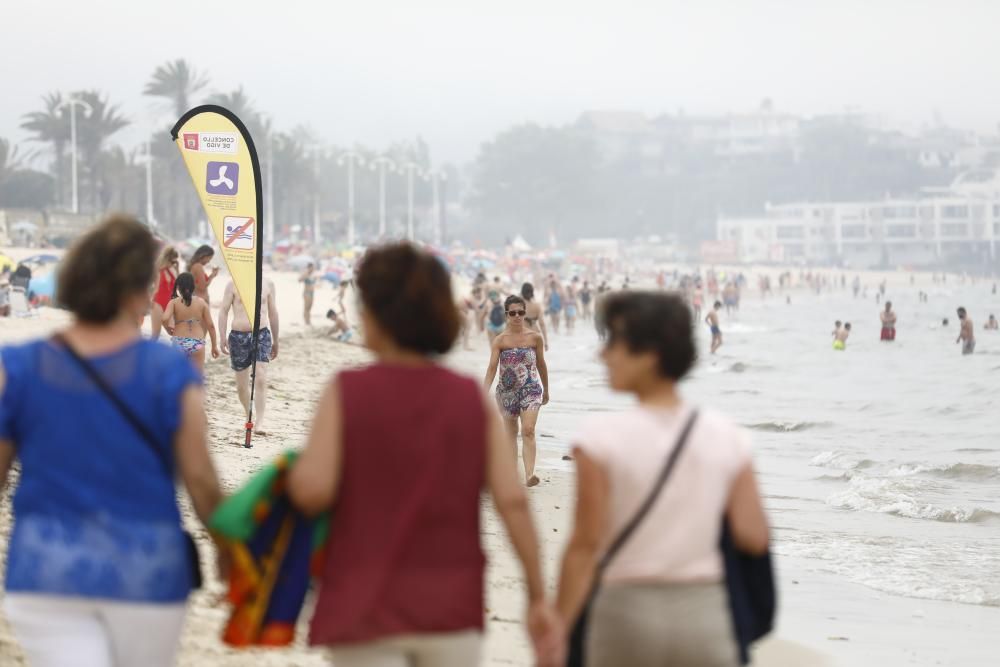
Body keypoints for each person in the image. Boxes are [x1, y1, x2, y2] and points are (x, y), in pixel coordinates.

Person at [287, 243, 562, 666]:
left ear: (371, 317)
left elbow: (311, 492)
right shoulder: (467, 399)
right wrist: (538, 596)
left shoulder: (345, 393)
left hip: (363, 602)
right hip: (448, 605)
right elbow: (511, 503)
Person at [0, 215, 225, 667]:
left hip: (46, 570)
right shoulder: (168, 373)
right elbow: (200, 481)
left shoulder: (19, 367)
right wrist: (234, 548)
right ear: (136, 292)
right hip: (144, 572)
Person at [555, 292, 768, 667]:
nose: (601, 355)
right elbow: (754, 535)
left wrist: (557, 629)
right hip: (705, 615)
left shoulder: (599, 438)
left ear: (651, 353)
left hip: (624, 613)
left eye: (614, 343)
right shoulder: (726, 435)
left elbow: (585, 546)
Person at [483, 295, 550, 487]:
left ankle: (530, 474)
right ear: (507, 315)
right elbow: (492, 368)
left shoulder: (535, 338)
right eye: (513, 313)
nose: (517, 316)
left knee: (528, 430)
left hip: (531, 389)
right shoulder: (500, 341)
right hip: (506, 393)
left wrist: (546, 389)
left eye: (521, 312)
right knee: (511, 434)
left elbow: (541, 365)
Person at [217, 277, 280, 436]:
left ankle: (259, 422)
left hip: (262, 334)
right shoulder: (232, 283)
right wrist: (222, 336)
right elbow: (223, 310)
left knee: (260, 377)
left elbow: (273, 313)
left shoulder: (268, 283)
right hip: (238, 336)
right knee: (241, 386)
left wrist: (276, 339)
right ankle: (248, 414)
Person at [163, 273, 219, 373]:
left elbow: (164, 319)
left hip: (179, 342)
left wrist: (168, 329)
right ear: (193, 286)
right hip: (197, 343)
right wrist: (214, 346)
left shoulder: (174, 302)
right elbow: (211, 326)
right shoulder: (202, 302)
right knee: (197, 378)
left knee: (177, 376)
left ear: (178, 287)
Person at [150, 245, 179, 340]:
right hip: (158, 302)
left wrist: (177, 268)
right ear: (167, 259)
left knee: (175, 331)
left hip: (169, 304)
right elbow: (152, 287)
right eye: (172, 261)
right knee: (155, 334)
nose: (174, 263)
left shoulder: (172, 270)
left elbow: (178, 286)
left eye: (175, 261)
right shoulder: (157, 270)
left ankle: (176, 353)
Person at [522, 282, 549, 350]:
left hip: (521, 336)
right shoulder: (537, 306)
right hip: (534, 335)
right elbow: (542, 324)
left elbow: (510, 323)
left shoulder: (517, 305)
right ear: (532, 292)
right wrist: (546, 342)